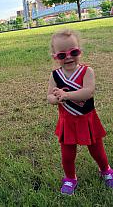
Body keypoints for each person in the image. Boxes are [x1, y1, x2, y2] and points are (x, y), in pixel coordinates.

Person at [47, 29, 113, 195]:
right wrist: (55, 99)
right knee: (67, 153)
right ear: (55, 56)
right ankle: (70, 177)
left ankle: (106, 169)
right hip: (67, 121)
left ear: (79, 51)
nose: (68, 57)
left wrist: (66, 95)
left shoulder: (86, 71)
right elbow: (49, 96)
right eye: (62, 55)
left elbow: (88, 92)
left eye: (73, 52)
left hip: (87, 119)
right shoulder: (55, 75)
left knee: (96, 148)